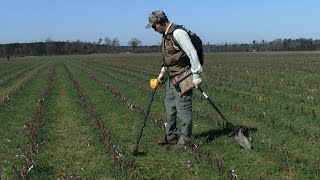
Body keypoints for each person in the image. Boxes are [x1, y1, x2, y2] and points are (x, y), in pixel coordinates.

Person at [146, 10, 203, 146]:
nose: (154, 29)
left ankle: (185, 141)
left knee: (183, 108)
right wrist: (161, 75)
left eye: (154, 26)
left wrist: (196, 75)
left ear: (160, 22)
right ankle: (171, 135)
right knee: (169, 105)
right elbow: (169, 59)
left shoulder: (178, 33)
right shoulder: (166, 36)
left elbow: (192, 52)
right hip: (172, 77)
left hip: (185, 76)